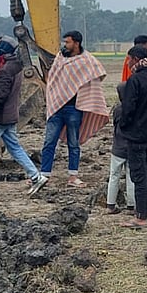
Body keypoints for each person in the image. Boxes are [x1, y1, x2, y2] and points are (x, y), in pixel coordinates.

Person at [0, 36, 48, 196]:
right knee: (15, 148)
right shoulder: (16, 68)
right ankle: (36, 176)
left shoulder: (4, 71)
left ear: (2, 51)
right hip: (10, 116)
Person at [41, 30, 110, 187]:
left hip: (74, 108)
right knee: (49, 142)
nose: (65, 45)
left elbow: (98, 73)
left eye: (68, 42)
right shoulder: (60, 58)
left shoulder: (87, 60)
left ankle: (73, 176)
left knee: (74, 143)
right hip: (57, 107)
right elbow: (53, 79)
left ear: (76, 43)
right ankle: (44, 175)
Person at [119, 45, 147, 228]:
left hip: (136, 136)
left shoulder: (135, 81)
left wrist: (123, 125)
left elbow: (128, 109)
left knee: (139, 176)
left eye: (129, 59)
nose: (128, 63)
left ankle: (141, 217)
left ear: (135, 59)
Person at [105, 82, 137, 215]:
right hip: (131, 147)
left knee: (114, 175)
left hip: (117, 147)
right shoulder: (136, 109)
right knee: (131, 176)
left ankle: (110, 205)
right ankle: (131, 206)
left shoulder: (117, 110)